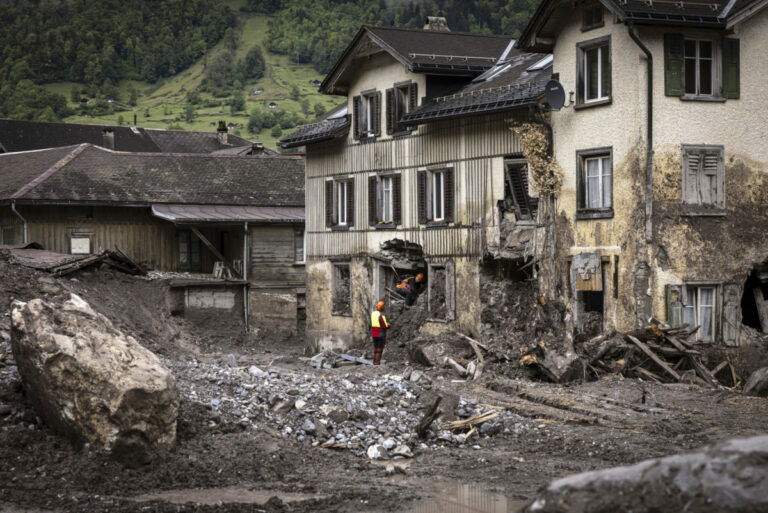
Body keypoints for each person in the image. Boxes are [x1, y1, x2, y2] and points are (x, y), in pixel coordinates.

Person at [370, 300, 390, 365]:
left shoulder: (373, 314)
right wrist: (389, 325)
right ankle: (377, 362)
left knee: (375, 349)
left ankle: (374, 361)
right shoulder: (381, 315)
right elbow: (385, 326)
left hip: (374, 335)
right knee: (379, 349)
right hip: (380, 335)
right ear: (382, 308)